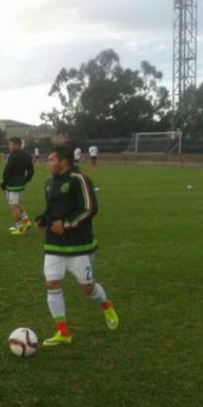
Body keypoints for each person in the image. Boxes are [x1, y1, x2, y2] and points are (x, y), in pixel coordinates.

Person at [34, 146, 119, 347]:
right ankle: (63, 332)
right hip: (54, 244)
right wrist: (43, 220)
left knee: (87, 289)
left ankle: (106, 304)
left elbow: (90, 208)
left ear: (64, 161)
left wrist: (67, 224)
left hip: (79, 244)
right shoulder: (49, 182)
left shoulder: (79, 179)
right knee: (52, 284)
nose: (48, 163)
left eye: (51, 159)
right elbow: (52, 210)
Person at [1, 138, 34, 235]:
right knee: (18, 205)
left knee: (13, 207)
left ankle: (19, 228)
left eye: (10, 144)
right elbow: (31, 171)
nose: (9, 146)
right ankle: (26, 222)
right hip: (20, 184)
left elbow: (7, 171)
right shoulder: (27, 155)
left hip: (12, 185)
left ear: (17, 145)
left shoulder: (12, 156)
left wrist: (3, 184)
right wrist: (25, 180)